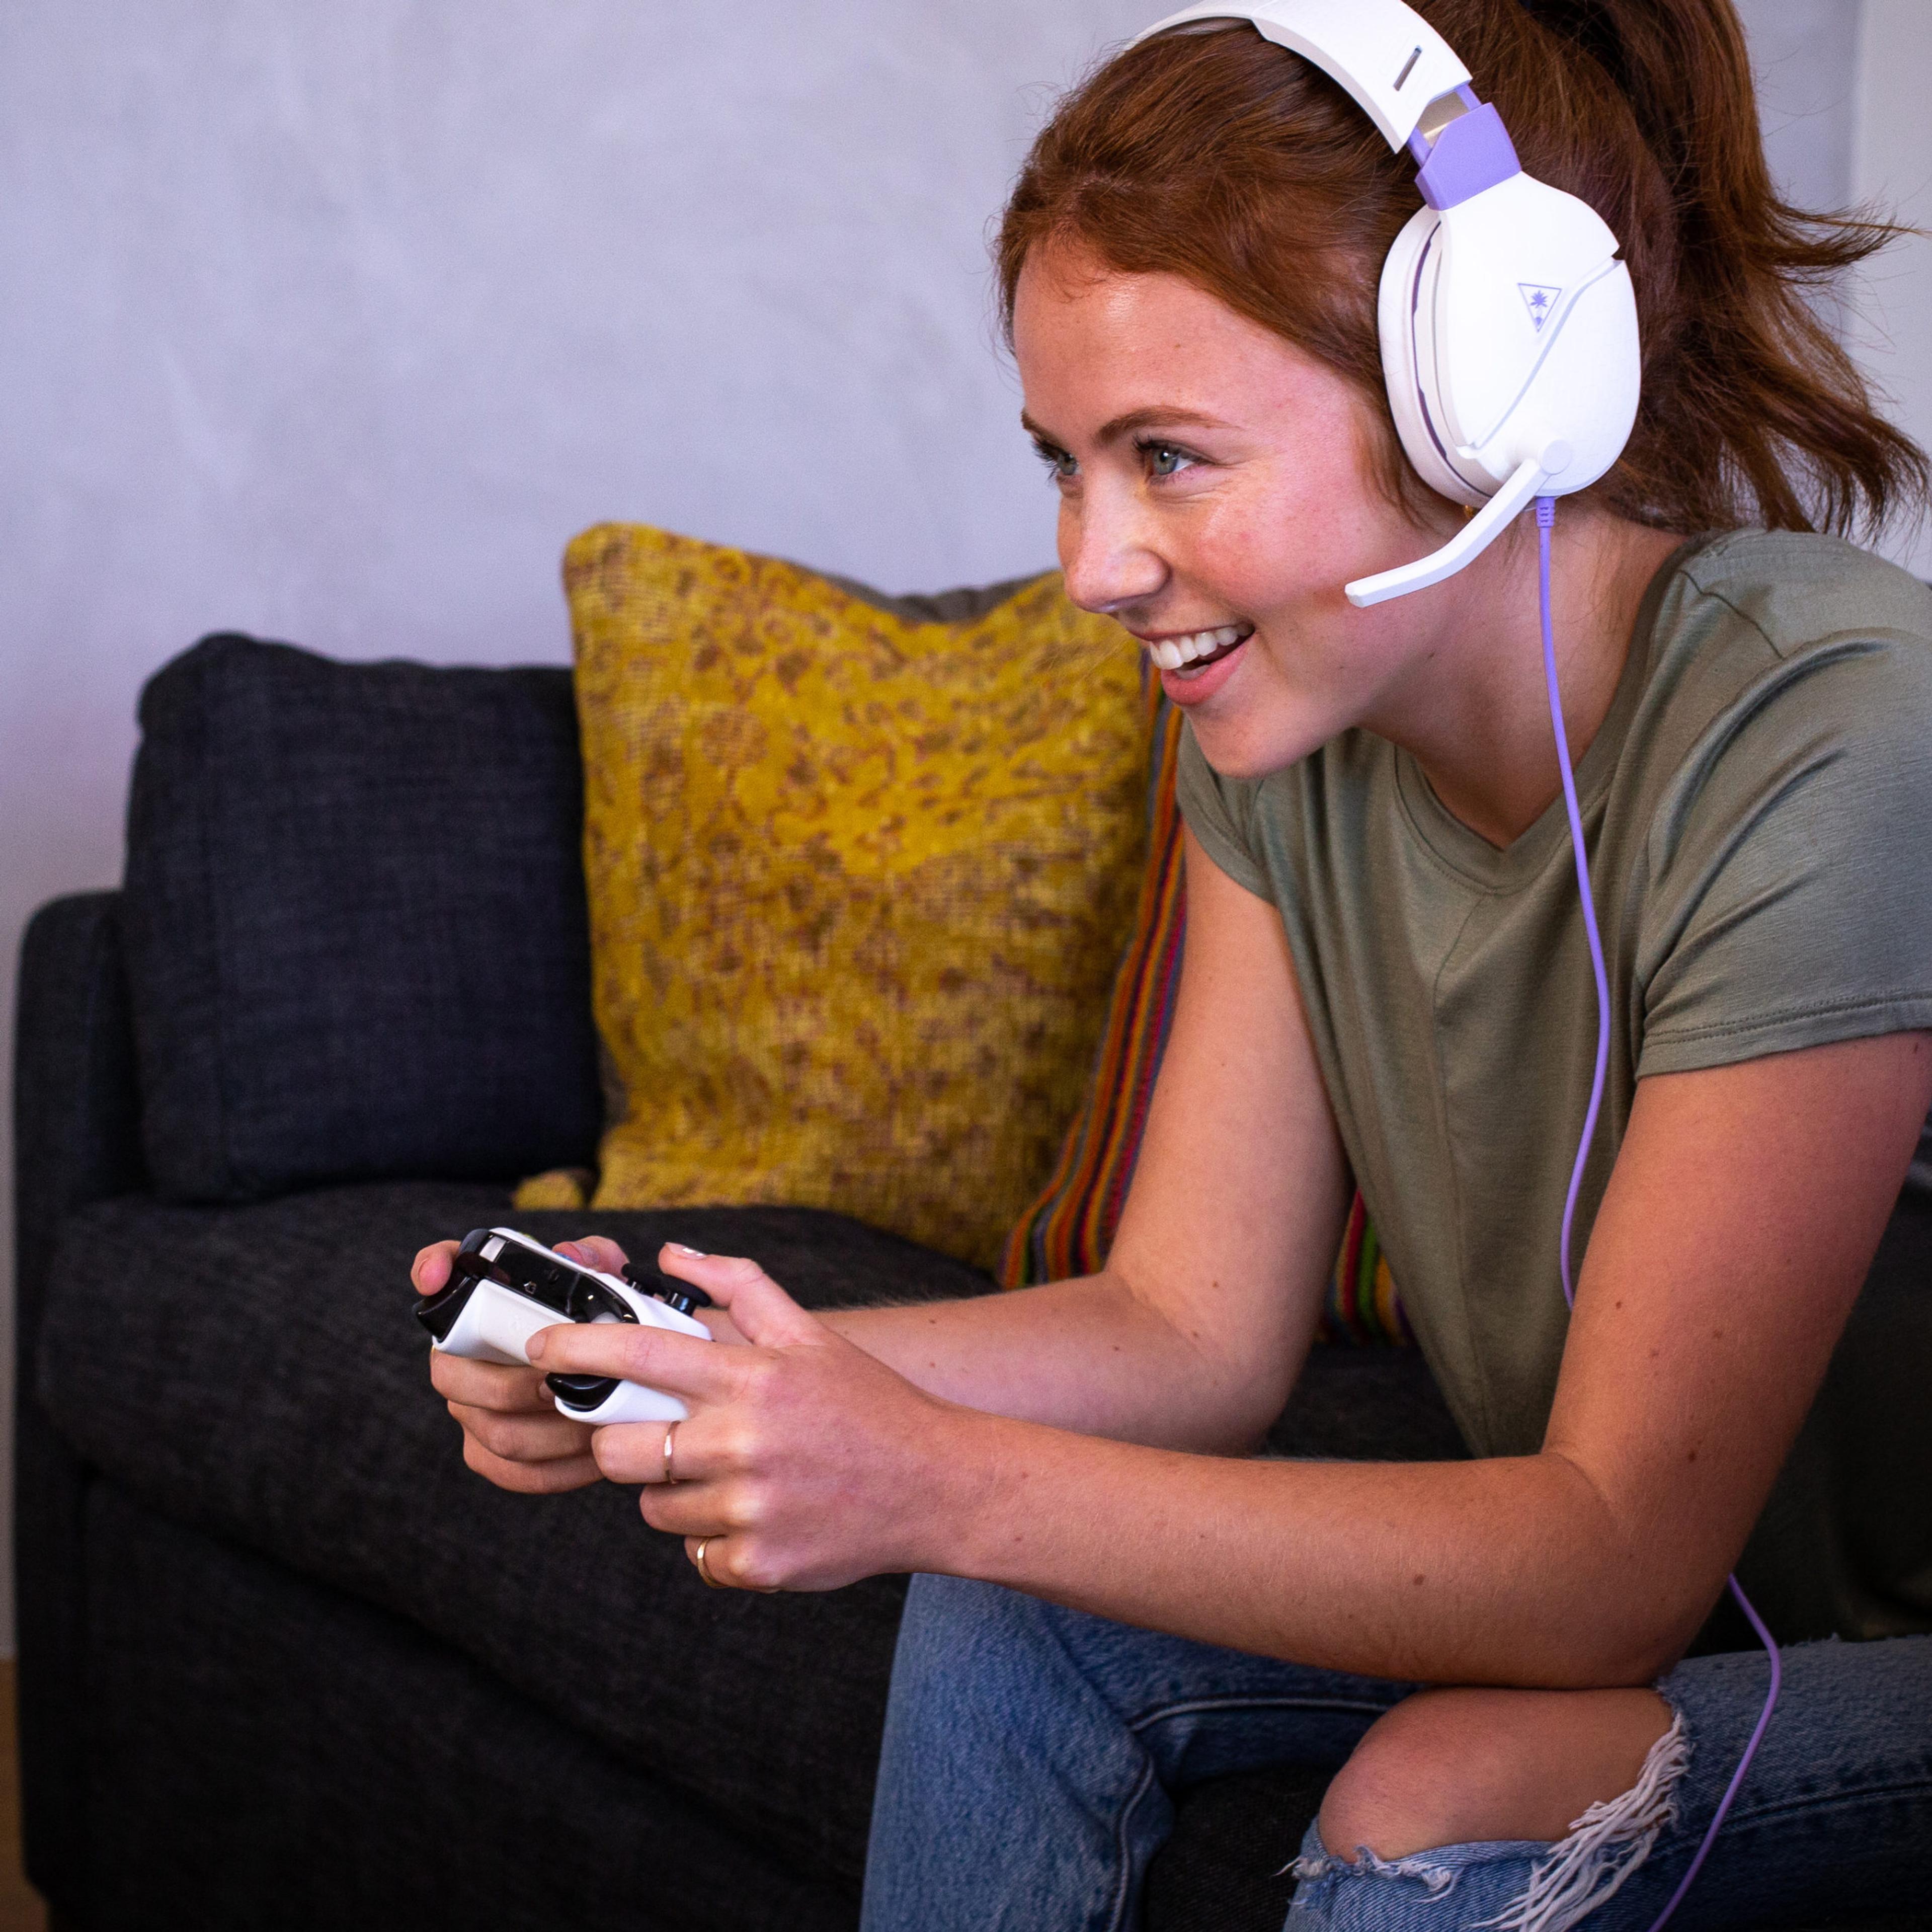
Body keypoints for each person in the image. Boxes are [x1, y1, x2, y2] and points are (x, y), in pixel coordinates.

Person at [414, 2, 1932, 1925]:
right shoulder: (1287, 730)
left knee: (1455, 1789)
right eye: (1066, 460)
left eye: (1170, 457)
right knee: (1013, 1615)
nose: (1092, 564)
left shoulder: (1832, 727)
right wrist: (696, 1375)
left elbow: (1614, 1560)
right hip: (1699, 1618)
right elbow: (1187, 1332)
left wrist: (941, 1479)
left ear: (1492, 399)